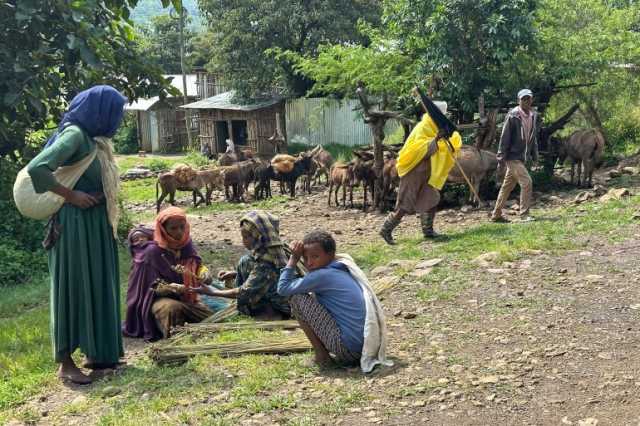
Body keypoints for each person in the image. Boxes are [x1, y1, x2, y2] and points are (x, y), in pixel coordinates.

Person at [26, 85, 127, 384]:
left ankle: (99, 353)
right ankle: (66, 363)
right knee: (73, 284)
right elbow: (38, 169)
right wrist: (71, 196)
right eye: (115, 112)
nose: (118, 119)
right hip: (74, 225)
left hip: (95, 223)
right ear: (100, 112)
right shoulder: (75, 136)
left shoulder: (96, 140)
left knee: (96, 282)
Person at [277, 231, 392, 372]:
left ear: (330, 255)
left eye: (315, 257)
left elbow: (282, 288)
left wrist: (293, 259)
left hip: (348, 350)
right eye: (305, 258)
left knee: (297, 298)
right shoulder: (341, 267)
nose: (309, 263)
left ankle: (322, 357)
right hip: (366, 348)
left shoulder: (322, 275)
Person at [122, 207, 213, 340]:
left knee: (211, 316)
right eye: (173, 228)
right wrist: (171, 288)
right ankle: (173, 337)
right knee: (171, 308)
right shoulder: (152, 253)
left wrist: (204, 273)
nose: (179, 232)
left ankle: (190, 330)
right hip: (158, 300)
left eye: (182, 227)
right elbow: (148, 288)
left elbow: (197, 265)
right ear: (163, 229)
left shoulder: (186, 244)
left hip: (188, 297)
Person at [379, 102, 462, 245]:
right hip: (414, 170)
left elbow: (445, 146)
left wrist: (445, 140)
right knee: (405, 203)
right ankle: (386, 230)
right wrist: (436, 139)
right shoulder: (423, 127)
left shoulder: (438, 127)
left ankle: (428, 230)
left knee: (433, 198)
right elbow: (416, 148)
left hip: (429, 171)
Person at [192, 211, 291, 320]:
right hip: (264, 291)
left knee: (207, 296)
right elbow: (263, 278)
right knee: (245, 260)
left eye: (246, 237)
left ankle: (266, 314)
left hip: (276, 307)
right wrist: (235, 274)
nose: (243, 241)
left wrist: (214, 293)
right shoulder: (275, 250)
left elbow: (245, 291)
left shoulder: (266, 264)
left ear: (258, 237)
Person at [491, 89, 539, 222]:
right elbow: (504, 138)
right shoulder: (513, 116)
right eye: (523, 99)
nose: (526, 101)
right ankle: (524, 214)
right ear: (519, 100)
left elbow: (532, 138)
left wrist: (535, 156)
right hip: (512, 157)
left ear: (532, 100)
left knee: (507, 186)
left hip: (522, 158)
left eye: (528, 98)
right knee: (527, 182)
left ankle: (496, 214)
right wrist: (501, 158)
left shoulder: (533, 115)